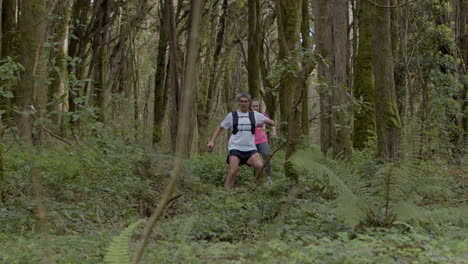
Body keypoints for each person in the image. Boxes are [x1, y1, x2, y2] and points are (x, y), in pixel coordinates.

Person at [207, 93, 276, 187]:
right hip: (235, 147)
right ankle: (225, 192)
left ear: (249, 103)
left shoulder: (255, 115)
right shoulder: (232, 115)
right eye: (241, 101)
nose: (243, 104)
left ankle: (257, 188)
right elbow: (220, 128)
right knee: (233, 171)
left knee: (260, 167)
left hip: (250, 148)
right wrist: (212, 140)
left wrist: (271, 123)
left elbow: (270, 122)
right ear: (239, 102)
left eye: (246, 101)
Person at [250, 99, 276, 183]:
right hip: (251, 142)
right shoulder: (248, 116)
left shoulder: (263, 115)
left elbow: (271, 125)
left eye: (257, 106)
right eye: (254, 106)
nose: (256, 108)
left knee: (266, 155)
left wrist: (273, 131)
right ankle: (257, 178)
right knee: (255, 160)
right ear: (250, 107)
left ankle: (268, 177)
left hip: (262, 140)